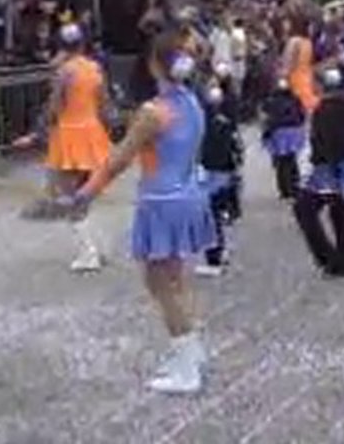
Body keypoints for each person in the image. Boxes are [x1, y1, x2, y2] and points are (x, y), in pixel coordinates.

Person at [62, 31, 216, 395]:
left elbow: (118, 159)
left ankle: (186, 364)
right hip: (188, 194)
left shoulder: (153, 112)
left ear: (153, 65)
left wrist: (85, 192)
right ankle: (190, 353)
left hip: (162, 200)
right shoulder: (192, 102)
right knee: (174, 278)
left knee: (159, 281)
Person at [19, 24, 112, 271]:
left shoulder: (63, 72)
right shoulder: (94, 68)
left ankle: (88, 253)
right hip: (92, 132)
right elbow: (104, 104)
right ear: (83, 44)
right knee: (85, 195)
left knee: (70, 196)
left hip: (69, 135)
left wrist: (38, 133)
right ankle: (92, 247)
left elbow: (54, 107)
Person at [293, 68, 344, 279]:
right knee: (343, 215)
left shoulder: (325, 111)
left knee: (304, 209)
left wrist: (319, 166)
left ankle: (328, 256)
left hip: (329, 170)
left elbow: (326, 143)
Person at [197, 81, 244, 278]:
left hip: (208, 174)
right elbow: (237, 149)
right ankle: (220, 250)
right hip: (224, 173)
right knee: (218, 214)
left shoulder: (201, 125)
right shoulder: (227, 124)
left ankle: (214, 258)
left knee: (210, 217)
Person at [261, 77, 307, 202]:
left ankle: (285, 190)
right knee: (291, 160)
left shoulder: (270, 101)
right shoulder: (294, 99)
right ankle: (294, 187)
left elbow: (266, 119)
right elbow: (302, 116)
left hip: (279, 133)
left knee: (281, 163)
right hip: (293, 133)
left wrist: (266, 134)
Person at [281, 13, 319, 114]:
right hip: (303, 78)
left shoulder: (296, 41)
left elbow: (287, 63)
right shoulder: (304, 41)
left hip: (299, 79)